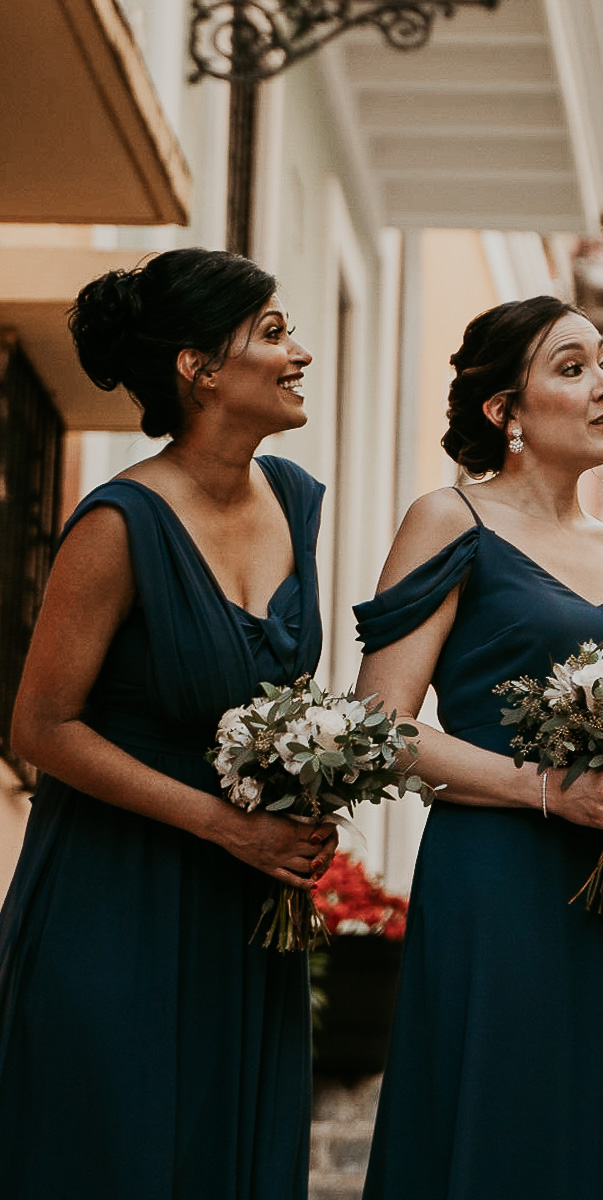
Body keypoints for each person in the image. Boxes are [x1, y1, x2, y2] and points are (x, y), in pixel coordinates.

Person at [0, 248, 334, 1197]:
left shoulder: (297, 504)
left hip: (247, 910)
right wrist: (230, 825)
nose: (298, 352)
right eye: (272, 334)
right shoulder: (118, 524)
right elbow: (42, 725)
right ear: (199, 369)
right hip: (116, 896)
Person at [354, 297, 603, 1199]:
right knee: (501, 1124)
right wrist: (549, 790)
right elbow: (380, 726)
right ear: (506, 412)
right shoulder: (450, 519)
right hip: (496, 883)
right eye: (571, 369)